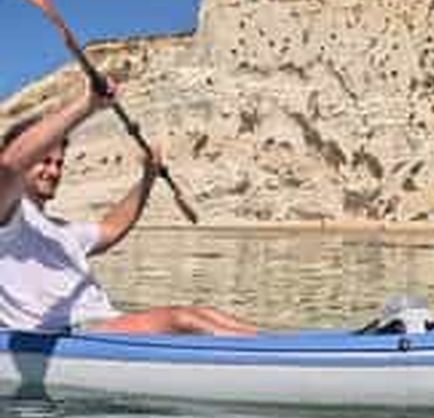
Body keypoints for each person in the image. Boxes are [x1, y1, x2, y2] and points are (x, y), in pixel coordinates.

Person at [0, 81, 259, 335]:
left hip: (103, 323)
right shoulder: (7, 218)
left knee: (205, 313)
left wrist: (147, 178)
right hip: (71, 333)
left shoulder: (58, 231)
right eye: (44, 161)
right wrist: (88, 104)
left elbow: (111, 228)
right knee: (183, 320)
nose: (54, 171)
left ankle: (273, 345)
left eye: (59, 163)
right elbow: (11, 164)